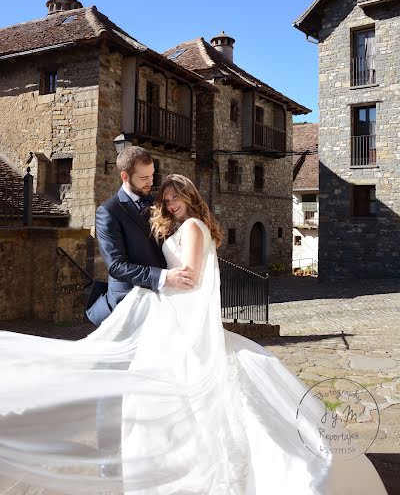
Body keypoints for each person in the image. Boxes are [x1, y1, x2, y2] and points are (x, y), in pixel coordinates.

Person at [0, 175, 388, 494]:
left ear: (189, 196)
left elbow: (192, 279)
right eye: (165, 198)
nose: (170, 203)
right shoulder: (179, 226)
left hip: (183, 317)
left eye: (175, 196)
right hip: (173, 317)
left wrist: (159, 285)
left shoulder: (194, 227)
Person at [86, 146, 195, 327]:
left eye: (152, 175)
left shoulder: (158, 203)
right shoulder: (108, 212)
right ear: (125, 177)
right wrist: (164, 277)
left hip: (165, 298)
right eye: (144, 178)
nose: (151, 182)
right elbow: (117, 266)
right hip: (128, 301)